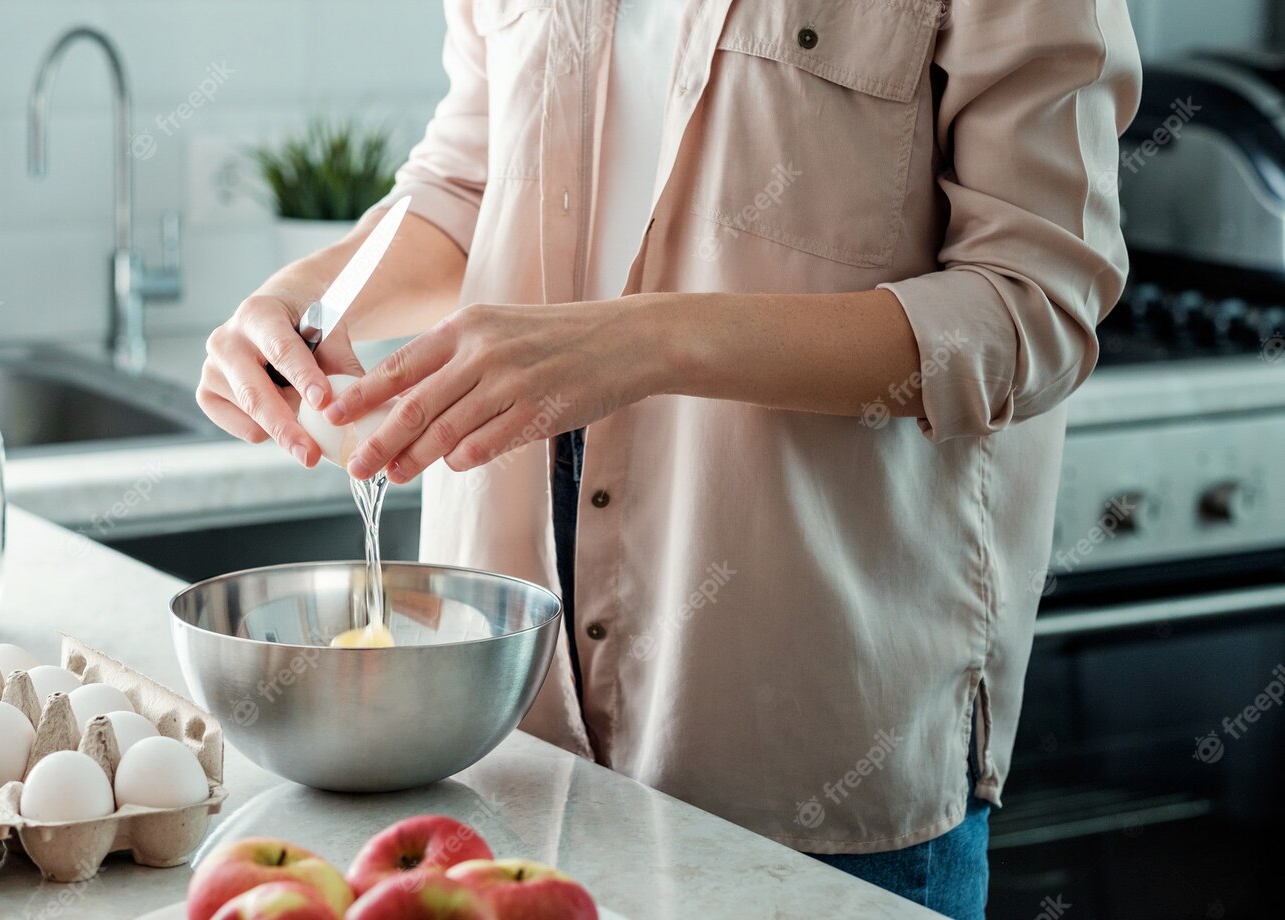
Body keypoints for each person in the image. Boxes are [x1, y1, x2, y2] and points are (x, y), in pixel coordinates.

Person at [197, 2, 1141, 916]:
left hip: (808, 746)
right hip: (507, 746)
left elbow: (1033, 304)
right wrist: (310, 299)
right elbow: (469, 183)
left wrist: (644, 342)